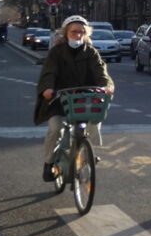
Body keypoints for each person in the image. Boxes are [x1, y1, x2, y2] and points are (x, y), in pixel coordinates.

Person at [34, 15, 114, 182]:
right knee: (55, 128)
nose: (77, 35)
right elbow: (49, 72)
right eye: (74, 32)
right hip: (59, 100)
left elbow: (101, 71)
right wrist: (48, 89)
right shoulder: (56, 52)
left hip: (83, 99)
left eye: (81, 32)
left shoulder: (91, 52)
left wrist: (106, 86)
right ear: (66, 33)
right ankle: (48, 163)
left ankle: (87, 152)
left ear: (86, 34)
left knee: (94, 120)